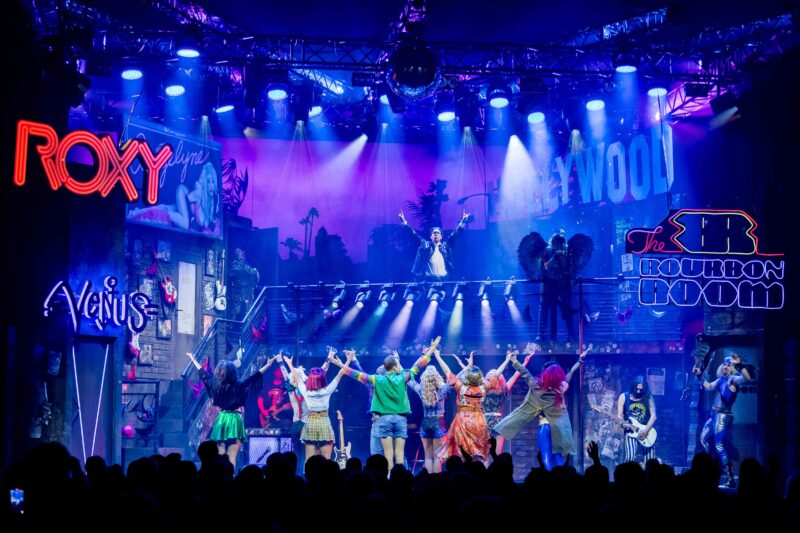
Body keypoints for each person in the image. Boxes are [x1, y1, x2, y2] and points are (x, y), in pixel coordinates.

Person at [332, 341, 436, 469]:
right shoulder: (402, 378)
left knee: (387, 455)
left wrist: (341, 365)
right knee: (399, 455)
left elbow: (358, 375)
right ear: (394, 368)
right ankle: (401, 477)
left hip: (383, 420)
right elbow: (417, 366)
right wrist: (430, 351)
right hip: (400, 419)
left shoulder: (377, 380)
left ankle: (388, 477)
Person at [493, 348, 589, 470]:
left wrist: (514, 361)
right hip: (558, 427)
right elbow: (570, 374)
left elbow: (525, 373)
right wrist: (580, 360)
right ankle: (561, 478)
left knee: (546, 457)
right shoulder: (561, 388)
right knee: (558, 456)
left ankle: (549, 479)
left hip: (545, 427)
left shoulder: (536, 387)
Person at [186, 352, 280, 469]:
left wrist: (194, 360)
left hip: (222, 418)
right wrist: (268, 365)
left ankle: (220, 475)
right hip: (235, 419)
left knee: (220, 453)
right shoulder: (239, 385)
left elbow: (204, 375)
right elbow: (255, 376)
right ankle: (230, 476)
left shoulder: (216, 386)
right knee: (232, 454)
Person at [431, 350, 505, 463]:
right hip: (479, 422)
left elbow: (447, 371)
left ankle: (464, 470)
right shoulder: (483, 388)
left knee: (463, 451)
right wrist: (507, 360)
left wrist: (437, 356)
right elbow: (497, 374)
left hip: (463, 421)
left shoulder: (461, 387)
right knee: (476, 451)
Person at [283, 349, 354, 466]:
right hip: (324, 423)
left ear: (310, 380)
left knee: (309, 461)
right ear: (322, 379)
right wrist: (349, 360)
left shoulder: (306, 392)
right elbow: (340, 373)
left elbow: (297, 378)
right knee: (326, 462)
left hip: (311, 423)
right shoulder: (327, 390)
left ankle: (308, 476)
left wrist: (289, 364)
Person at [455, 350, 534, 454]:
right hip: (498, 421)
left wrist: (468, 365)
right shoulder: (503, 390)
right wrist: (524, 363)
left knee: (484, 452)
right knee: (497, 452)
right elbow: (516, 375)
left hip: (484, 420)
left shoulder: (484, 389)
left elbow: (472, 377)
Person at [695, 353, 752, 488]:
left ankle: (730, 478)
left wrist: (738, 364)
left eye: (728, 365)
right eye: (724, 364)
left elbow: (746, 378)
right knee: (703, 439)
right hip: (713, 415)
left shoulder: (733, 379)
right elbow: (709, 386)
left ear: (732, 367)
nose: (726, 366)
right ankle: (711, 466)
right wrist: (699, 375)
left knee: (718, 444)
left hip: (723, 416)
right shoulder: (721, 379)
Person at [129, 162, 219, 232]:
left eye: (213, 181)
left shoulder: (210, 203)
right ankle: (137, 214)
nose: (211, 185)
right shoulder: (199, 192)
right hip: (182, 193)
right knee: (184, 223)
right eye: (208, 181)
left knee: (164, 208)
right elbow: (189, 200)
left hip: (185, 209)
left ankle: (136, 212)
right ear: (204, 182)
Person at [399, 209, 470, 281]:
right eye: (434, 233)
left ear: (441, 237)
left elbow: (455, 235)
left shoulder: (446, 246)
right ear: (431, 236)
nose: (436, 234)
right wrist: (404, 222)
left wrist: (463, 222)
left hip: (444, 280)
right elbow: (413, 235)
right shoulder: (425, 245)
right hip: (430, 281)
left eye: (438, 233)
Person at [408, 366, 452, 473]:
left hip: (426, 422)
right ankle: (436, 480)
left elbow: (409, 380)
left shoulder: (421, 390)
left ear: (424, 379)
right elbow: (454, 379)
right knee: (437, 457)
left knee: (428, 457)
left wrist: (401, 366)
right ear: (436, 377)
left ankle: (428, 480)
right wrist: (467, 367)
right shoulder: (442, 389)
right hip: (438, 422)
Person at [538, 233, 575, 341]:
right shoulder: (547, 251)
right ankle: (541, 334)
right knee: (544, 309)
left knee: (567, 309)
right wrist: (554, 257)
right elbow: (545, 267)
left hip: (563, 285)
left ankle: (571, 335)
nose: (559, 246)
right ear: (553, 243)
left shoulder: (568, 251)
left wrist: (571, 278)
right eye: (557, 244)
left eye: (561, 244)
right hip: (548, 285)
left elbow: (571, 267)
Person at [617, 375, 657, 464]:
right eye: (637, 389)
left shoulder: (648, 397)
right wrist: (623, 424)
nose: (638, 391)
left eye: (641, 389)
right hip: (631, 432)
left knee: (650, 461)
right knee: (629, 458)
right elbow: (620, 416)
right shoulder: (624, 397)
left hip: (647, 431)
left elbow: (653, 416)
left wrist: (646, 430)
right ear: (633, 386)